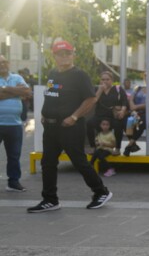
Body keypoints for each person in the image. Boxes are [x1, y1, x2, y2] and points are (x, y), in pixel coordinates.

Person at [28, 41, 112, 212]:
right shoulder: (52, 73)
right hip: (51, 127)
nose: (64, 57)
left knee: (79, 161)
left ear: (73, 55)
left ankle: (101, 192)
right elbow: (51, 95)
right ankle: (50, 199)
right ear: (54, 56)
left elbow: (90, 99)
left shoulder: (79, 75)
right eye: (60, 54)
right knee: (48, 163)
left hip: (70, 127)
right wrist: (45, 113)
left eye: (68, 53)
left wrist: (74, 117)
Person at [0, 54, 31, 192]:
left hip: (15, 124)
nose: (2, 64)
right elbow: (21, 92)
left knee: (14, 155)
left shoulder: (17, 78)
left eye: (4, 62)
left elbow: (27, 92)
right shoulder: (17, 82)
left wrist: (5, 89)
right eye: (0, 63)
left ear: (8, 63)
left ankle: (13, 182)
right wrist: (16, 91)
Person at [87, 71, 128, 153]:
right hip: (99, 115)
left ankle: (117, 148)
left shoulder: (118, 89)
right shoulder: (96, 89)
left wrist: (123, 110)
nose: (104, 81)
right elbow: (93, 101)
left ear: (112, 80)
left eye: (107, 79)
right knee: (89, 123)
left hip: (113, 116)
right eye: (102, 79)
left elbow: (124, 101)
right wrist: (100, 90)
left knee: (118, 125)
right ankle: (92, 146)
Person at [124, 71, 149, 156]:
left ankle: (129, 145)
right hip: (135, 112)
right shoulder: (138, 88)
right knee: (126, 121)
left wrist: (136, 107)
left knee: (142, 122)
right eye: (147, 76)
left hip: (147, 113)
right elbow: (131, 99)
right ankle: (133, 144)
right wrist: (132, 107)